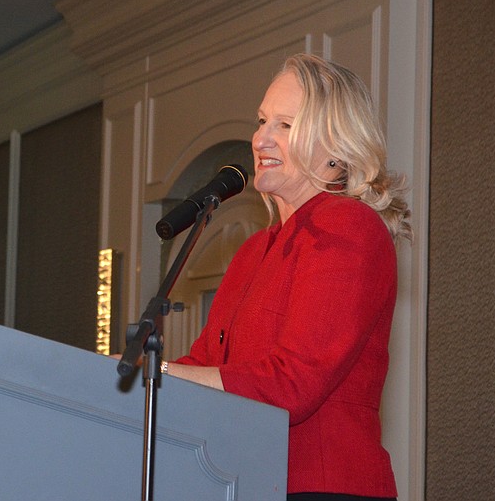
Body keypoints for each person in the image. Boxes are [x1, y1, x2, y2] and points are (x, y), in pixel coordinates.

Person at [161, 53, 412, 500]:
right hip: (246, 482)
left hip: (324, 486)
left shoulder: (349, 227)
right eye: (262, 121)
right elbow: (204, 366)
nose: (261, 139)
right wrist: (121, 376)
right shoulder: (254, 250)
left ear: (336, 147)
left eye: (285, 125)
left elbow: (292, 383)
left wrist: (157, 375)